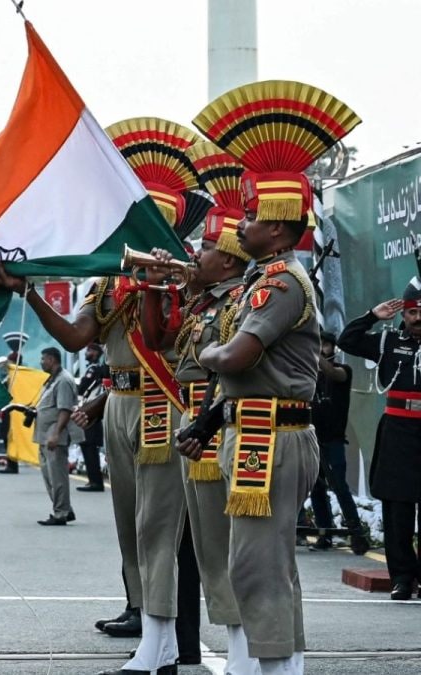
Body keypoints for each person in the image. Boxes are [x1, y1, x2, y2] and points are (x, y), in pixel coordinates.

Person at [0, 120, 204, 663]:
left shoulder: (183, 278)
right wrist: (29, 293)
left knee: (158, 528)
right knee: (129, 524)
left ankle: (163, 639)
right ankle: (141, 612)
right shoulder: (109, 279)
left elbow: (166, 343)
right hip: (121, 404)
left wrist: (157, 280)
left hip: (162, 406)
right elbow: (75, 336)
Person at [186, 80, 359, 674]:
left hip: (271, 432)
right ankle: (283, 668)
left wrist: (211, 353)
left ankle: (276, 669)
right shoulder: (264, 278)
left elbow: (235, 357)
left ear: (280, 229)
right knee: (264, 564)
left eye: (254, 216)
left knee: (257, 567)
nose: (243, 224)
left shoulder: (280, 282)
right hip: (256, 426)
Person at [140, 139, 254, 674]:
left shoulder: (237, 301)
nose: (194, 256)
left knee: (225, 545)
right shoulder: (203, 301)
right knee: (202, 546)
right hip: (194, 421)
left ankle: (244, 652)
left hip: (217, 424)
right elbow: (158, 341)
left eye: (204, 249)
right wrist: (154, 288)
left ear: (227, 258)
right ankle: (223, 648)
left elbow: (225, 367)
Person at [338, 284, 421, 600]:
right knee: (397, 507)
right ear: (404, 314)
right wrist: (372, 316)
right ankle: (402, 578)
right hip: (398, 430)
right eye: (412, 312)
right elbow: (347, 340)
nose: (417, 317)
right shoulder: (389, 342)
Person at [301, 332, 368, 554]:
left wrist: (312, 352)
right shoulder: (310, 375)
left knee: (339, 486)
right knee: (316, 488)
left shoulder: (343, 371)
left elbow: (332, 372)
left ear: (333, 348)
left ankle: (356, 532)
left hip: (334, 440)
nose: (322, 348)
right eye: (318, 344)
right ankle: (324, 533)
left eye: (325, 345)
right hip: (313, 439)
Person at [33, 347, 77, 525]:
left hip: (54, 436)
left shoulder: (63, 380)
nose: (41, 362)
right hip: (45, 435)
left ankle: (60, 513)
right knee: (50, 476)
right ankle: (66, 509)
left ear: (52, 360)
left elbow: (65, 409)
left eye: (43, 359)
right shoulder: (53, 379)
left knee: (57, 477)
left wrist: (56, 434)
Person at [76, 342, 107, 491]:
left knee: (90, 448)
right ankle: (93, 480)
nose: (86, 353)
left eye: (89, 350)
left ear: (95, 353)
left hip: (91, 412)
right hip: (91, 411)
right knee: (87, 447)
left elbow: (83, 388)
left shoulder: (94, 369)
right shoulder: (95, 368)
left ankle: (96, 482)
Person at [0, 331, 28, 474]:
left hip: (12, 411)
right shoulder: (9, 376)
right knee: (7, 437)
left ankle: (12, 464)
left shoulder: (17, 377)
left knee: (10, 437)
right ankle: (10, 463)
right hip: (7, 410)